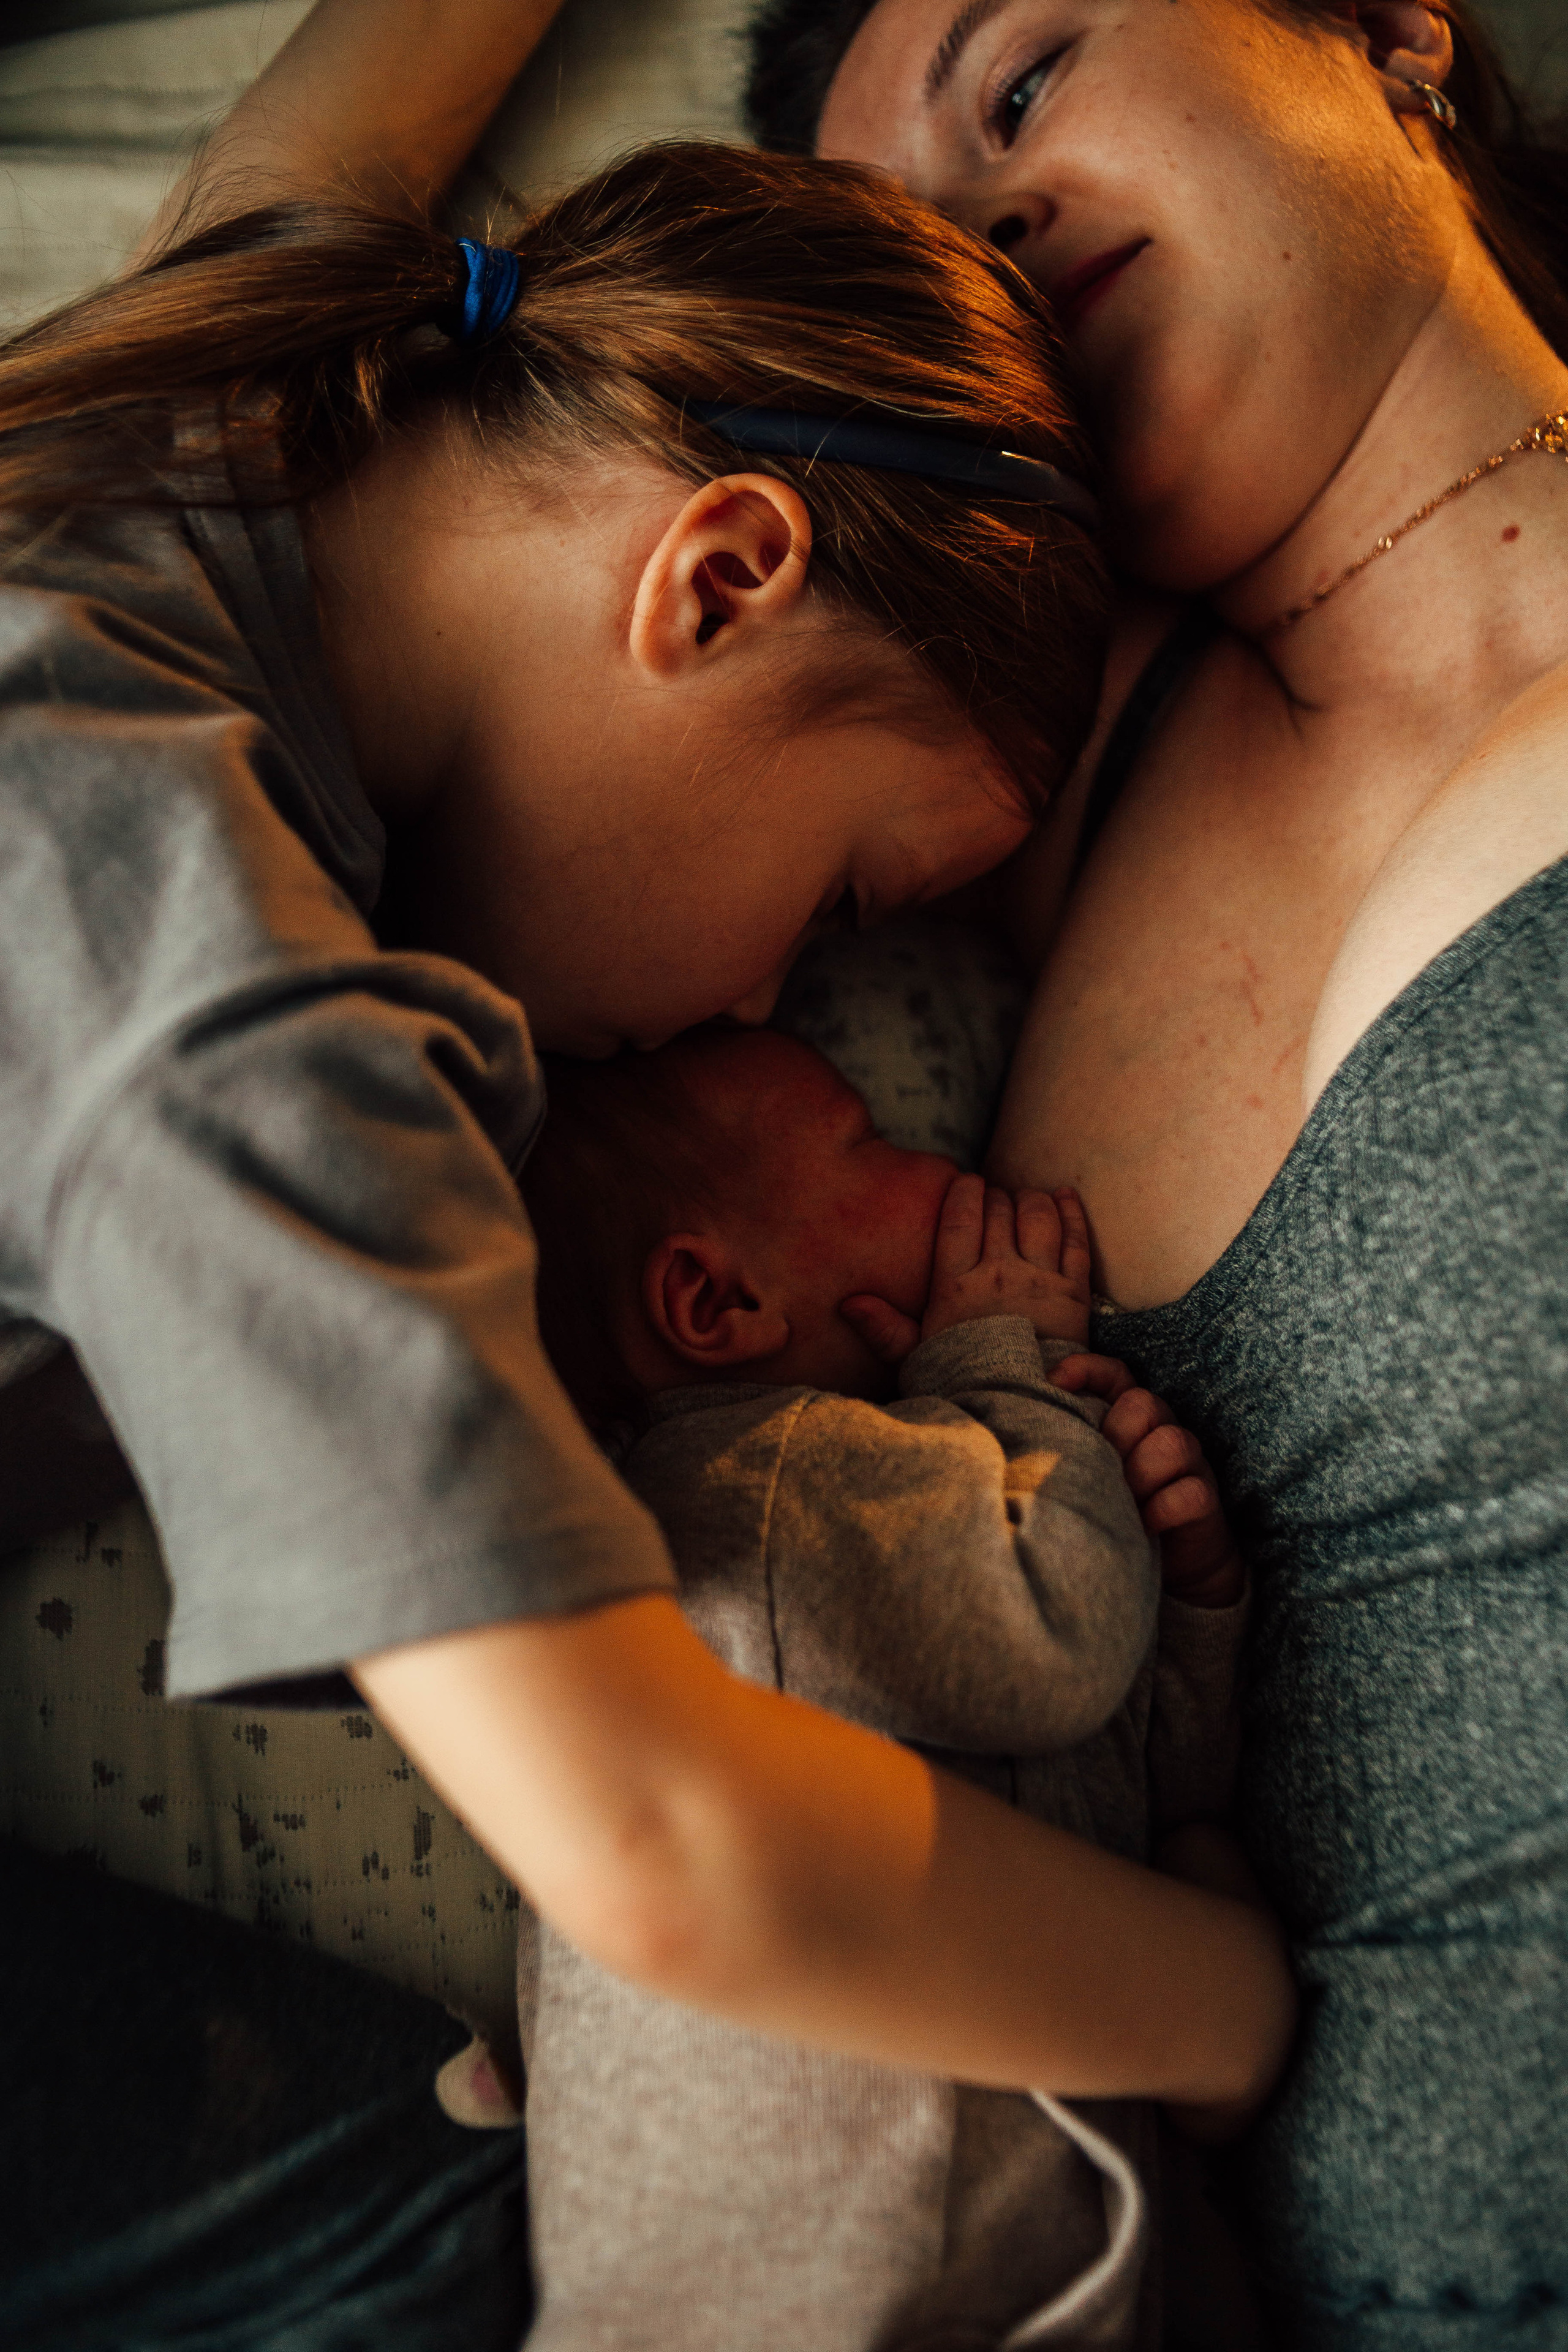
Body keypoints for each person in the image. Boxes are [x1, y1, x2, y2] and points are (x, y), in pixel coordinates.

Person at [0, 80, 1294, 2339]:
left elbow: (354, 94)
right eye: (844, 893)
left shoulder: (232, 382)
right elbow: (668, 1853)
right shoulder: (224, 1012)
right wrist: (1241, 2009)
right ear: (714, 578)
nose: (782, 995)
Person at [739, 0, 1568, 2337]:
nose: (986, 227)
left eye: (1021, 80)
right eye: (913, 260)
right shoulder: (995, 806)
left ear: (1394, 33)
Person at [513, 1023, 1253, 2351]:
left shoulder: (913, 1489)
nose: (949, 1165)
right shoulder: (753, 1491)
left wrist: (1190, 1605)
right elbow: (1058, 1644)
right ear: (716, 1307)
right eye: (881, 1141)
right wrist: (1003, 1371)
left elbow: (1115, 1794)